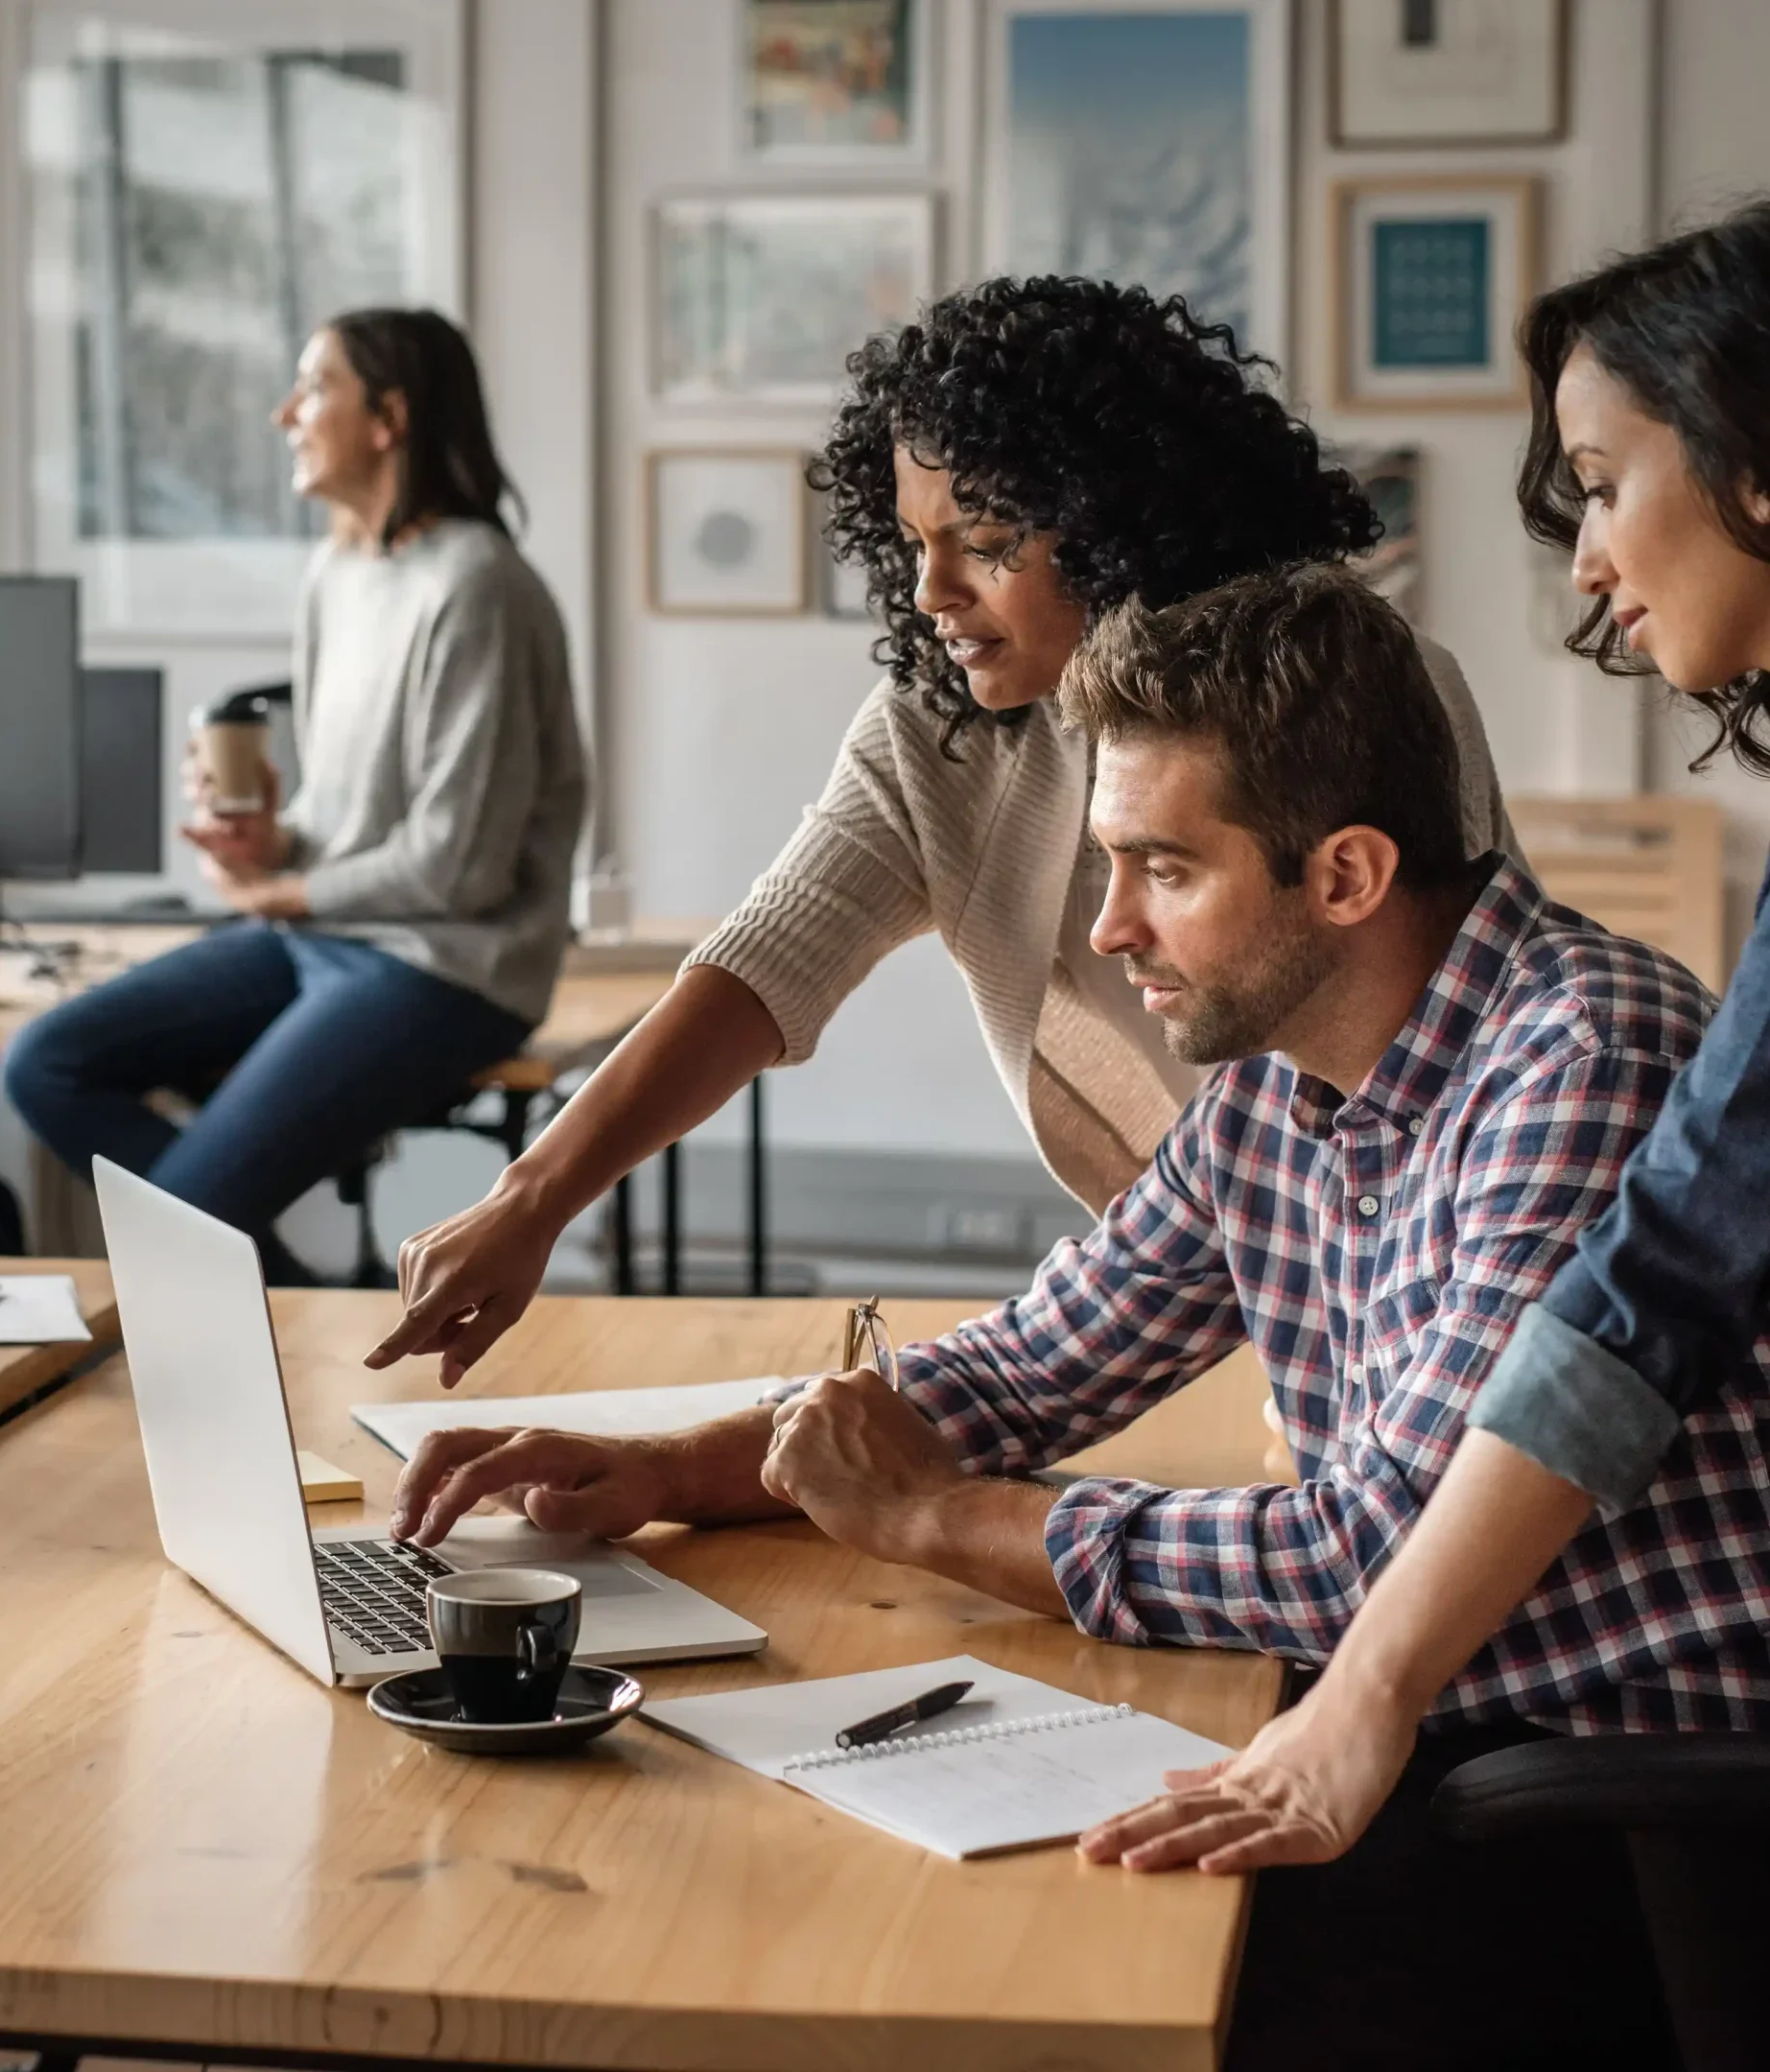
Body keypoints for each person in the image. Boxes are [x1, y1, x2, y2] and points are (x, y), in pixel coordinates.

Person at [389, 565, 1768, 2072]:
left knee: (943, 1969)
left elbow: (1359, 1561)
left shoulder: (1579, 1053)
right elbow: (1038, 1361)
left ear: (1350, 875)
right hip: (1419, 1742)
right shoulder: (1277, 1073)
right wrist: (688, 1467)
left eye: (1163, 870)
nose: (1109, 931)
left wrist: (938, 1526)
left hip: (1601, 1810)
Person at [365, 275, 1514, 1385]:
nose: (930, 591)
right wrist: (532, 1202)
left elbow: (1447, 1047)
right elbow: (763, 966)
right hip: (1172, 1283)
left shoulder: (1348, 695)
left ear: (1122, 518)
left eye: (985, 540)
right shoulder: (942, 733)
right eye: (914, 543)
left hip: (1411, 1270)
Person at [1086, 199, 1770, 1885]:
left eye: (1608, 481)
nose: (1592, 562)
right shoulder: (1272, 1080)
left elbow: (1654, 1290)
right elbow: (1652, 1289)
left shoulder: (1578, 1035)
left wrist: (1370, 1687)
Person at [4, 309, 586, 1284]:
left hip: (448, 970)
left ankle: (257, 1305)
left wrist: (277, 894)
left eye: (314, 387)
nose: (285, 413)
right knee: (45, 1062)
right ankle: (296, 1306)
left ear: (388, 417)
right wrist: (273, 842)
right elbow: (347, 823)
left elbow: (459, 867)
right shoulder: (336, 575)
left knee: (184, 1217)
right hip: (330, 941)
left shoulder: (480, 588)